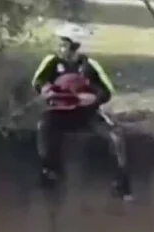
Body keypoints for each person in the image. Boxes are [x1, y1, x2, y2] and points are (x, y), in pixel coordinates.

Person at [31, 23, 131, 199]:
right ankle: (50, 171)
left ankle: (122, 181)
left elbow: (107, 90)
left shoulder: (89, 65)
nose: (60, 48)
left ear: (75, 47)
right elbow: (37, 81)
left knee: (115, 136)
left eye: (64, 44)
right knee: (44, 126)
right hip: (59, 112)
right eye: (60, 44)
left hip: (86, 114)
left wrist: (94, 98)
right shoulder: (52, 62)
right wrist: (45, 89)